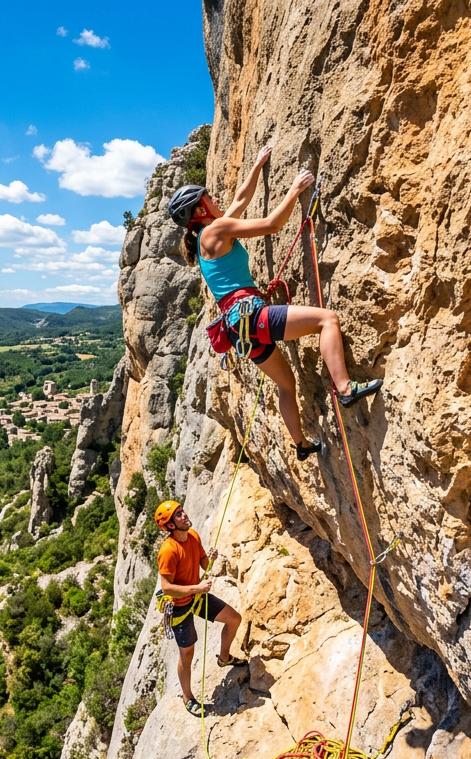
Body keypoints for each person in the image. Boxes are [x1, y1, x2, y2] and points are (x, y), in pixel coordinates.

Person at [167, 147, 382, 461]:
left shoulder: (204, 239)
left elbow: (240, 199)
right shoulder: (217, 229)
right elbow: (272, 225)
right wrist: (295, 190)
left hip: (240, 331)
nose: (215, 200)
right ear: (199, 212)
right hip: (253, 316)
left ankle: (302, 445)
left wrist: (256, 166)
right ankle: (345, 389)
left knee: (286, 384)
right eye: (209, 198)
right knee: (327, 320)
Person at [154, 499, 246, 718]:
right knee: (187, 654)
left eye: (182, 511)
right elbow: (166, 588)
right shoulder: (168, 551)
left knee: (234, 619)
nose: (184, 515)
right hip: (178, 606)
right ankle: (188, 698)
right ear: (169, 525)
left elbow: (204, 564)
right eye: (178, 515)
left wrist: (210, 560)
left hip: (196, 596)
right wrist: (197, 587)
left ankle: (224, 658)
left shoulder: (193, 536)